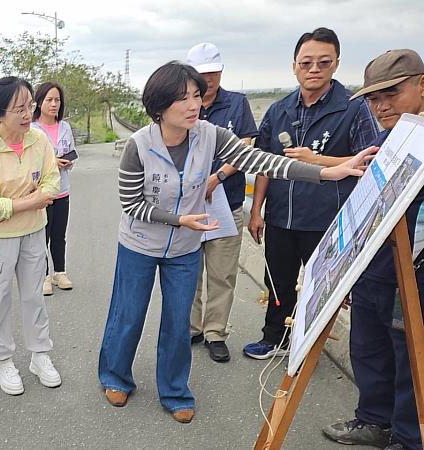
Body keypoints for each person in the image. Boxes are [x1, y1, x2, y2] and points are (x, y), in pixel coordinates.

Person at [97, 61, 375, 423]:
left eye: (196, 95)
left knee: (178, 319)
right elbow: (132, 204)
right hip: (139, 243)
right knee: (128, 313)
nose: (194, 104)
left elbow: (265, 161)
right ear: (160, 106)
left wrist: (327, 171)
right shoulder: (139, 145)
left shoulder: (210, 134)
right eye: (182, 99)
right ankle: (115, 376)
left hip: (183, 248)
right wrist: (178, 219)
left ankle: (175, 390)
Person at [243, 27, 379, 359]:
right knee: (277, 281)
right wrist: (256, 210)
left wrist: (316, 160)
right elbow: (265, 163)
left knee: (322, 287)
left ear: (335, 65)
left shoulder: (353, 108)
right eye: (306, 63)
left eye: (323, 62)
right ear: (294, 66)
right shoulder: (279, 110)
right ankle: (274, 338)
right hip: (280, 215)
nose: (314, 69)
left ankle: (310, 346)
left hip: (327, 218)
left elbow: (370, 159)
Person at [322, 50, 424, 450]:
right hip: (372, 265)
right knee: (368, 346)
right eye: (372, 98)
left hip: (413, 272)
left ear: (421, 85)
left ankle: (408, 437)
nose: (381, 106)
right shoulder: (389, 139)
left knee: (409, 356)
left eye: (391, 93)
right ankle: (373, 421)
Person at [0, 76, 63, 395]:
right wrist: (32, 200)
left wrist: (31, 199)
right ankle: (4, 361)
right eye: (19, 109)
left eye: (30, 106)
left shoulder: (39, 141)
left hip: (34, 233)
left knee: (34, 295)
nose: (27, 114)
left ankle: (40, 354)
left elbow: (53, 181)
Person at [184, 43, 259, 363]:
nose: (208, 80)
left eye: (213, 73)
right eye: (202, 75)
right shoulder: (184, 105)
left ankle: (215, 331)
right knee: (188, 270)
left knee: (222, 272)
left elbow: (245, 146)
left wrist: (217, 177)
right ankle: (190, 328)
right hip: (187, 207)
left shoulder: (237, 104)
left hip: (226, 202)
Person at [31, 81, 78, 297]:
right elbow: (30, 160)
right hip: (42, 192)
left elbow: (71, 150)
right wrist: (52, 163)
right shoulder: (32, 129)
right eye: (49, 100)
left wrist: (68, 161)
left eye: (57, 100)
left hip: (63, 188)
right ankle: (44, 275)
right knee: (43, 235)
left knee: (60, 234)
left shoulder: (65, 126)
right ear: (39, 102)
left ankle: (60, 271)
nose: (53, 104)